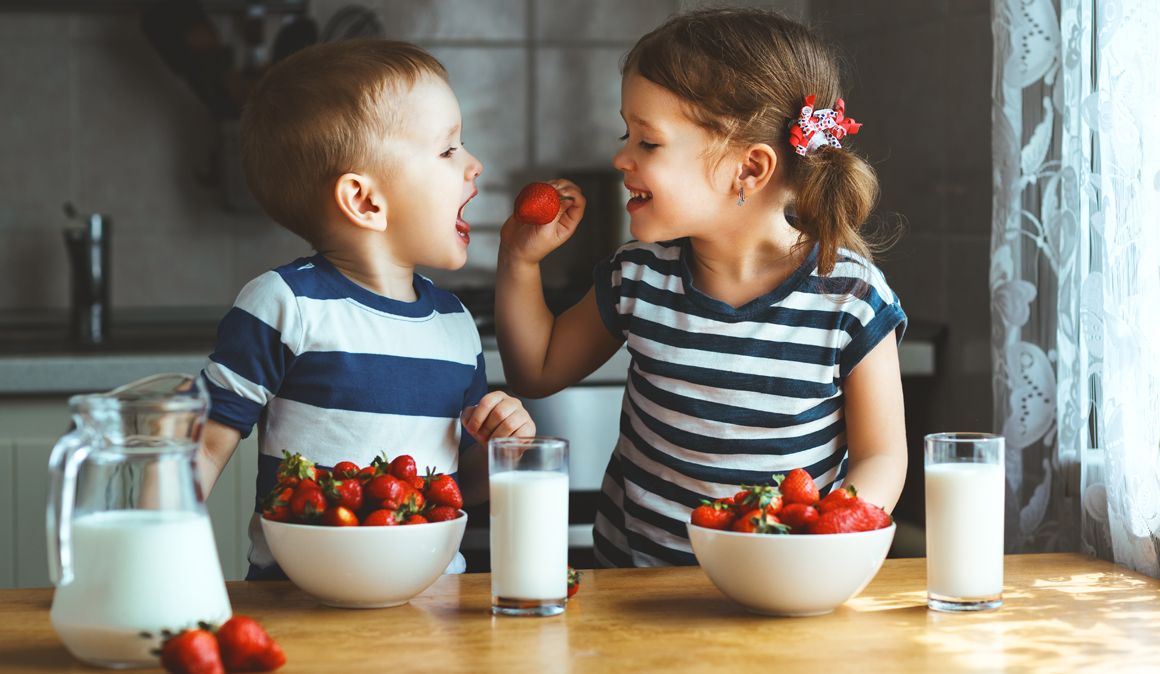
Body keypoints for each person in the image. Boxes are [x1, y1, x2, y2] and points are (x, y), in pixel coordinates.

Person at [495, 8, 907, 567]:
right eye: (627, 134)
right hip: (633, 593)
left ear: (749, 169)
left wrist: (825, 541)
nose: (621, 158)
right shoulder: (638, 276)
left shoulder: (850, 299)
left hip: (775, 588)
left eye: (649, 142)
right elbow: (535, 370)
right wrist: (519, 261)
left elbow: (883, 457)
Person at [198, 39, 535, 579]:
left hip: (433, 610)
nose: (475, 165)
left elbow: (456, 488)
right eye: (448, 150)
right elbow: (203, 447)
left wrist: (504, 454)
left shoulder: (454, 325)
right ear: (365, 201)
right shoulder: (285, 306)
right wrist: (154, 561)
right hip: (299, 608)